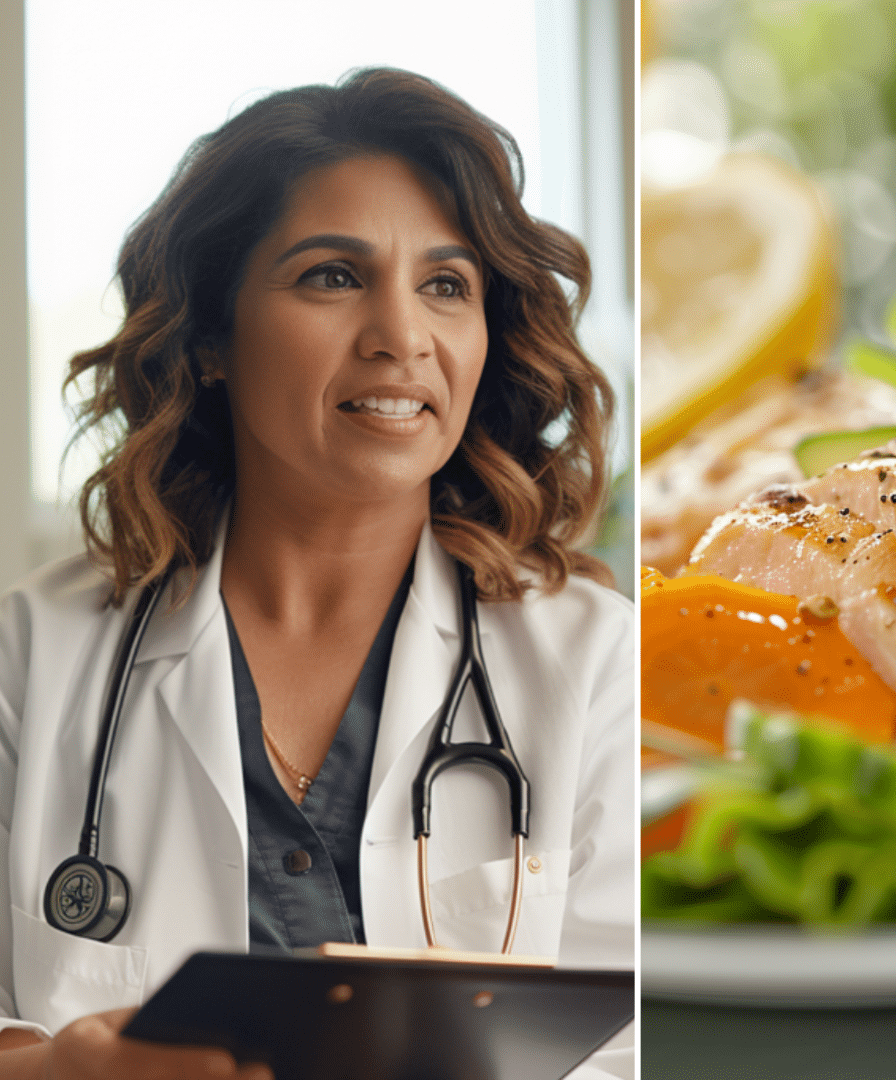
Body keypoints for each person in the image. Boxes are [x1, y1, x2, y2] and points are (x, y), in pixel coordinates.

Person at [0, 69, 633, 1078]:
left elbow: (629, 1044)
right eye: (332, 276)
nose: (400, 337)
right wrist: (64, 1070)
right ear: (211, 338)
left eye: (445, 284)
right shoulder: (31, 655)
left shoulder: (597, 661)